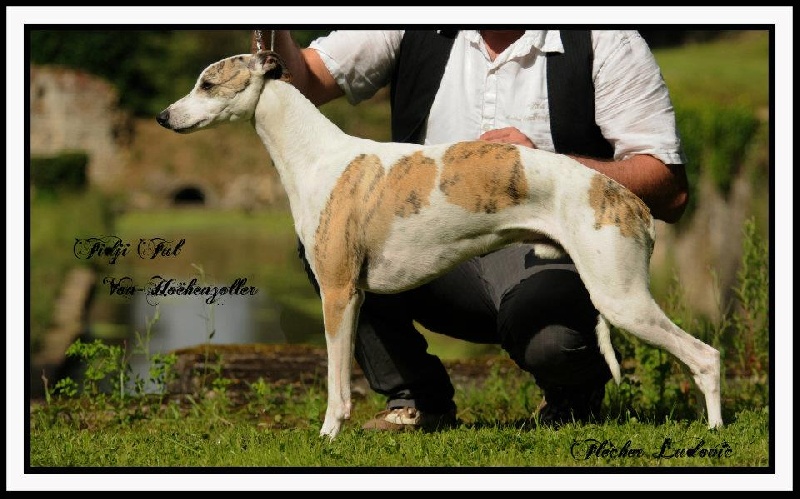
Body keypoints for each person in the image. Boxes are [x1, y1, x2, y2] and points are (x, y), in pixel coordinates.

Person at [254, 29, 689, 431]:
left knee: (553, 342)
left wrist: (543, 166)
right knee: (329, 248)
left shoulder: (605, 40)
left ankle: (572, 396)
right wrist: (272, 28)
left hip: (542, 250)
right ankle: (417, 400)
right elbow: (299, 82)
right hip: (429, 245)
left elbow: (669, 189)